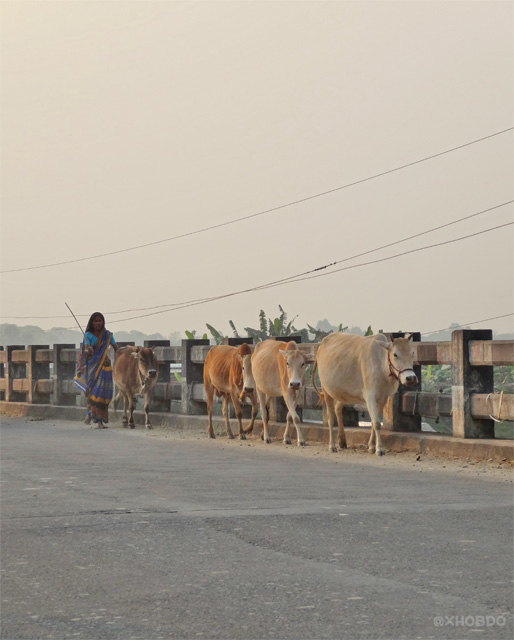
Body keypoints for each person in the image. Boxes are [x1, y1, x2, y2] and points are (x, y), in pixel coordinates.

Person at [73, 312, 119, 429]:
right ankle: (94, 418)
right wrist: (89, 350)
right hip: (92, 366)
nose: (98, 323)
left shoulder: (108, 335)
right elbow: (84, 352)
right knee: (93, 392)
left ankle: (95, 418)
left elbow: (116, 349)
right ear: (92, 323)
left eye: (100, 321)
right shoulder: (88, 335)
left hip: (105, 366)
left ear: (103, 322)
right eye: (96, 321)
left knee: (102, 393)